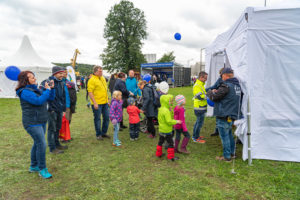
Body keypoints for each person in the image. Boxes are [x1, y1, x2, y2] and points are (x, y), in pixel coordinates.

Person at [16, 71, 55, 179]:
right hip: (32, 123)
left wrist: (52, 89)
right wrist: (46, 91)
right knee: (42, 144)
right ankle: (42, 169)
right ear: (25, 80)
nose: (34, 79)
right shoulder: (24, 92)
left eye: (34, 77)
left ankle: (33, 166)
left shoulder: (36, 89)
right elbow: (38, 101)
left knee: (37, 143)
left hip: (41, 120)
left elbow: (50, 98)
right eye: (32, 77)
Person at [206, 68, 241, 162]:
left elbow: (213, 97)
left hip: (223, 114)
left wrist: (211, 92)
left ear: (225, 75)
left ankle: (227, 157)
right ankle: (232, 153)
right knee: (229, 134)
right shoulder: (237, 85)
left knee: (224, 136)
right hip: (232, 114)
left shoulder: (225, 85)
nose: (221, 77)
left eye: (222, 75)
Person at [44, 66, 68, 154]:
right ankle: (52, 148)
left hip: (59, 109)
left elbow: (63, 96)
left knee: (58, 127)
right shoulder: (49, 82)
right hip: (52, 110)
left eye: (63, 73)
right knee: (52, 129)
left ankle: (57, 144)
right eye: (60, 73)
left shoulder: (61, 82)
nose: (62, 75)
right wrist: (50, 108)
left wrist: (64, 108)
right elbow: (47, 95)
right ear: (55, 74)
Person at [155, 94, 182, 161]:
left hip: (161, 129)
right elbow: (169, 121)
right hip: (167, 130)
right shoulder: (166, 111)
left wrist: (170, 111)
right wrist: (176, 121)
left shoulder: (161, 109)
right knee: (171, 143)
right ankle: (170, 157)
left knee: (160, 142)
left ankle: (158, 154)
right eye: (170, 101)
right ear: (165, 101)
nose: (171, 103)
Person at [87, 66, 110, 140]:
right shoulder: (92, 80)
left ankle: (104, 133)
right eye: (100, 71)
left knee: (106, 118)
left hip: (105, 102)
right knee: (97, 119)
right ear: (95, 72)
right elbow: (90, 92)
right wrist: (94, 102)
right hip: (97, 103)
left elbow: (105, 90)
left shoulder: (102, 78)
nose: (101, 72)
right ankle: (98, 134)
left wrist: (108, 100)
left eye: (101, 71)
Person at [206, 67, 224, 137]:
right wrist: (205, 90)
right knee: (218, 116)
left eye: (221, 74)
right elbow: (214, 86)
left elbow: (215, 87)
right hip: (219, 100)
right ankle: (217, 131)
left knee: (222, 118)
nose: (220, 76)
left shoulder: (229, 81)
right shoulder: (220, 79)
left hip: (224, 101)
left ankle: (221, 132)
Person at [192, 71, 208, 143]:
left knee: (198, 122)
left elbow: (203, 93)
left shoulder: (201, 84)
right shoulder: (197, 85)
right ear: (201, 77)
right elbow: (200, 97)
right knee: (199, 123)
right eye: (205, 78)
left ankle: (195, 136)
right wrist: (209, 95)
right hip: (199, 108)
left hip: (201, 107)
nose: (206, 80)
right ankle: (195, 138)